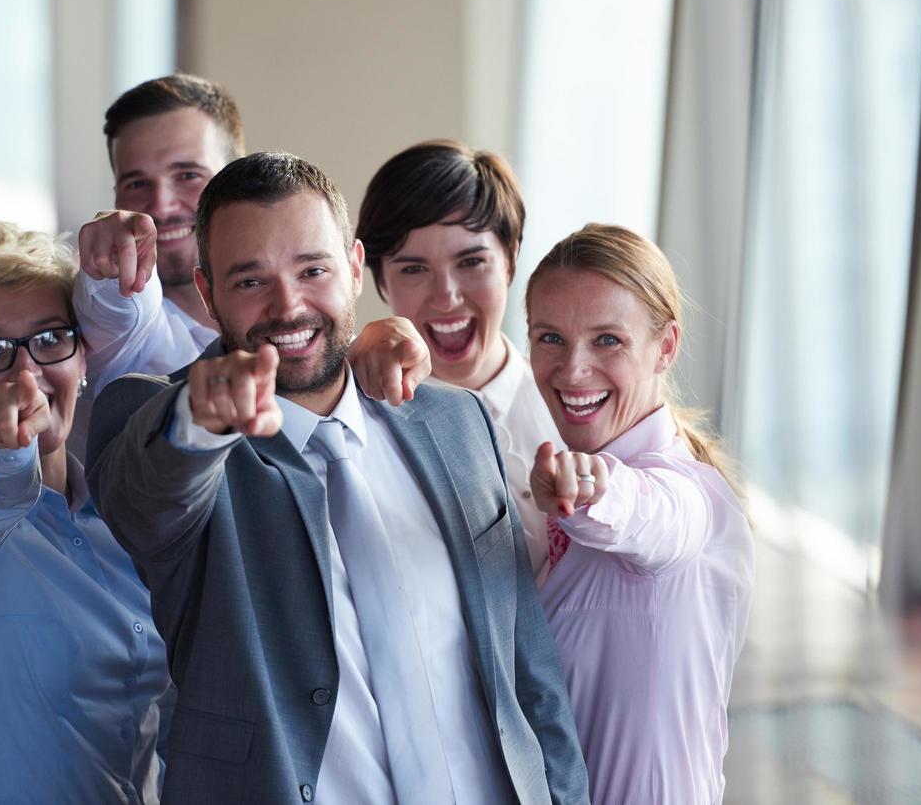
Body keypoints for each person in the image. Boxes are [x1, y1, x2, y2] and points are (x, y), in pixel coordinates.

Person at [88, 153, 589, 804]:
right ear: (207, 294)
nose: (288, 305)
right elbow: (146, 499)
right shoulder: (165, 422)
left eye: (312, 270)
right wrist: (200, 422)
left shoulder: (455, 419)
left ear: (354, 270)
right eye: (250, 281)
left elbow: (528, 670)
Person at [0, 221, 171, 803]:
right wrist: (5, 451)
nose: (26, 374)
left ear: (84, 357)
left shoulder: (122, 514)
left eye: (49, 339)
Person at [523, 224, 755, 805]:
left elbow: (650, 514)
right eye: (550, 338)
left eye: (608, 340)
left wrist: (595, 491)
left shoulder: (688, 493)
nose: (573, 370)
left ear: (666, 347)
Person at [354, 139, 559, 576]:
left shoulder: (568, 414)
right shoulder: (355, 424)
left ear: (511, 258)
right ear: (379, 280)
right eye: (413, 268)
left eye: (471, 262)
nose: (446, 296)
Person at [70, 74, 243, 450]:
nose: (161, 205)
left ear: (237, 177)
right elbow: (114, 306)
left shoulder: (284, 308)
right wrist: (105, 264)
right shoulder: (125, 330)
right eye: (136, 183)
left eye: (187, 175)